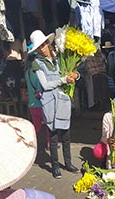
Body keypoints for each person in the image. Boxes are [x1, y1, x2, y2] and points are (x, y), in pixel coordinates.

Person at [28, 30, 79, 179]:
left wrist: (75, 75)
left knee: (66, 134)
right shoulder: (37, 63)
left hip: (62, 100)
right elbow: (45, 84)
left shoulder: (60, 59)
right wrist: (64, 80)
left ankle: (68, 163)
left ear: (48, 43)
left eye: (44, 45)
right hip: (49, 101)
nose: (42, 49)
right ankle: (55, 166)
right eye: (39, 47)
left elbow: (72, 72)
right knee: (54, 135)